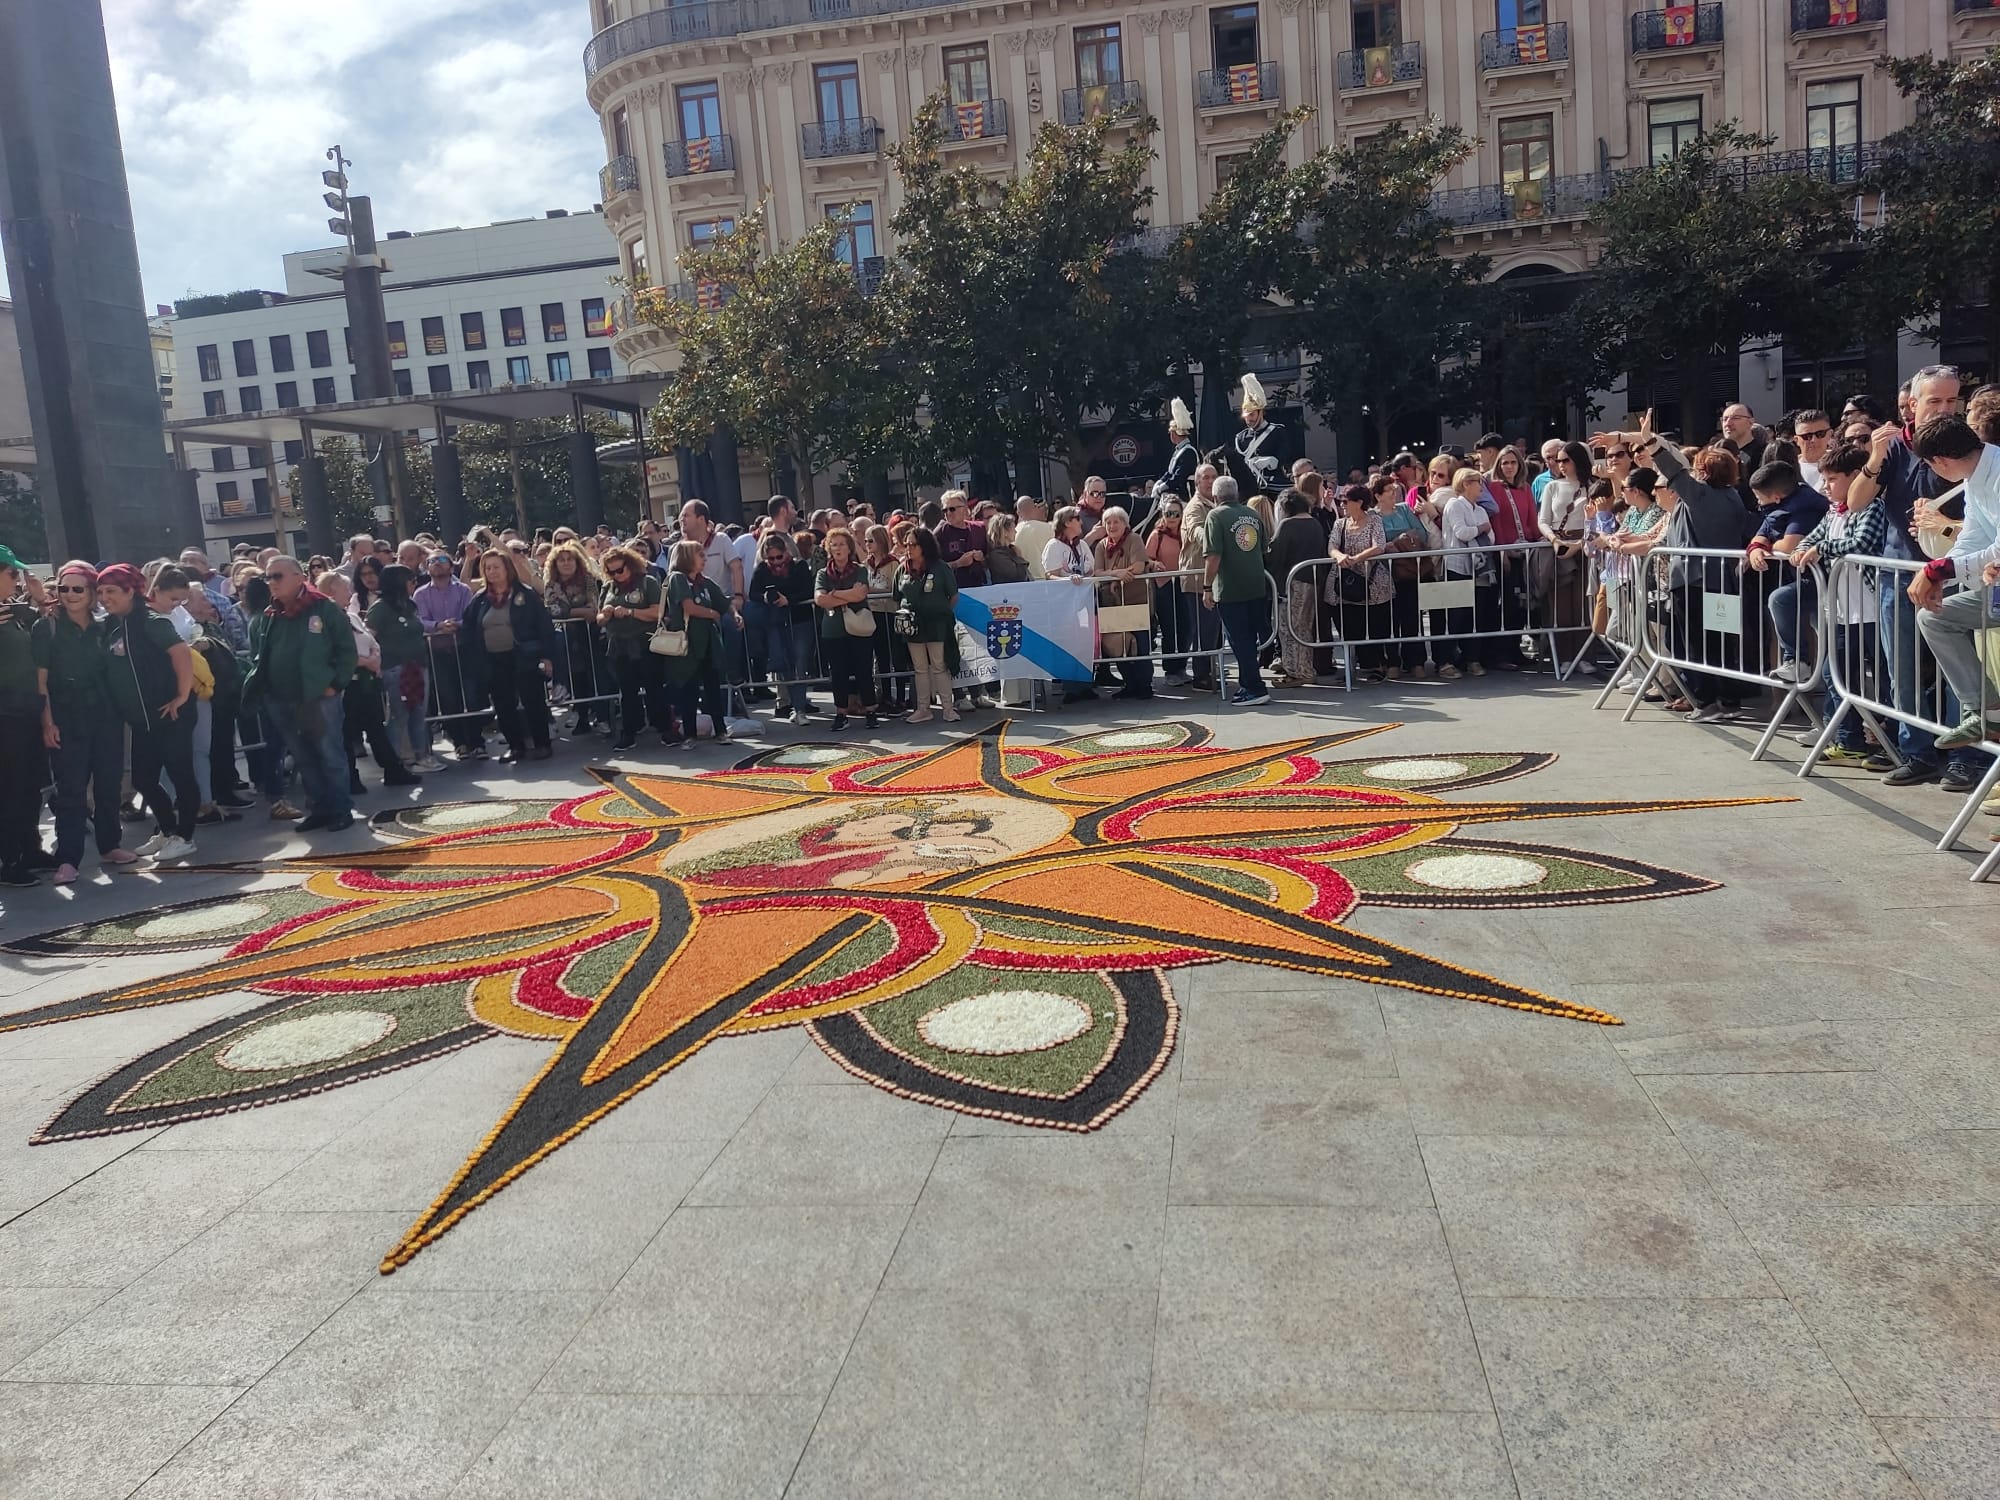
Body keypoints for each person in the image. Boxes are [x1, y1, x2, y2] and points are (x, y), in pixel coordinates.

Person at [1844, 368, 1988, 791]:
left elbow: (1984, 520)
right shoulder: (1894, 448)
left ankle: (1965, 756)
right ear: (1912, 403)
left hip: (1959, 572)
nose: (1945, 409)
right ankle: (1918, 752)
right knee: (1901, 669)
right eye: (1934, 401)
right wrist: (1874, 457)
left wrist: (1947, 529)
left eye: (1951, 401)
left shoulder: (1973, 448)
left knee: (1958, 671)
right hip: (1899, 572)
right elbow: (1855, 503)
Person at [1627, 413, 1756, 722]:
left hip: (1694, 579)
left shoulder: (1700, 495)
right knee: (1723, 642)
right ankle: (1728, 700)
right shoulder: (1734, 497)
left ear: (1703, 472)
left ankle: (1706, 701)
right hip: (1724, 579)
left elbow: (1673, 470)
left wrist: (1649, 441)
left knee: (1697, 644)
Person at [33, 562, 137, 883]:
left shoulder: (107, 626)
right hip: (66, 716)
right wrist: (47, 722)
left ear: (92, 593)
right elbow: (41, 682)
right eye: (64, 588)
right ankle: (69, 858)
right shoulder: (46, 627)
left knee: (108, 784)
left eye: (78, 588)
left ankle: (110, 845)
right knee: (71, 791)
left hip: (106, 715)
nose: (70, 594)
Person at [245, 557, 357, 833]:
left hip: (318, 696)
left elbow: (346, 649)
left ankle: (341, 809)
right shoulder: (269, 615)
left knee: (329, 754)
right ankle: (320, 809)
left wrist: (336, 684)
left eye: (277, 576)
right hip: (281, 699)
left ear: (298, 577)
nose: (271, 582)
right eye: (267, 577)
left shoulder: (323, 608)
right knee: (303, 756)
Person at [1910, 415, 2000, 751]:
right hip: (1996, 590)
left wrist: (1938, 572)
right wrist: (1940, 573)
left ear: (1941, 462)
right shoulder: (1977, 474)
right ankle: (1989, 713)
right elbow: (1973, 539)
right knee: (1934, 616)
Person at [98, 562, 199, 862]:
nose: (104, 597)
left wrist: (182, 695)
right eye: (101, 591)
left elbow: (181, 653)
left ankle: (185, 836)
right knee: (142, 779)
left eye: (111, 591)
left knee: (181, 775)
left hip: (170, 713)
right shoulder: (111, 625)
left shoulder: (153, 622)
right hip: (142, 720)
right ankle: (167, 831)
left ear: (132, 591)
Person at [319, 571, 417, 793]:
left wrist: (375, 658)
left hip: (367, 683)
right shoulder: (327, 619)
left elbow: (370, 640)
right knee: (346, 733)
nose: (350, 592)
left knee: (375, 728)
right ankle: (350, 778)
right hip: (347, 683)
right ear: (332, 590)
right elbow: (333, 652)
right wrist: (363, 662)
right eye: (345, 588)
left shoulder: (351, 616)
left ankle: (393, 770)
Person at [464, 548, 555, 764]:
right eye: (488, 568)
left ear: (507, 569)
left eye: (497, 567)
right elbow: (468, 626)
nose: (492, 571)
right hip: (494, 660)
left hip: (524, 656)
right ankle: (516, 746)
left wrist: (546, 656)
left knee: (533, 701)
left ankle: (542, 743)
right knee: (503, 705)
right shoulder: (480, 599)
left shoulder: (525, 594)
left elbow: (544, 626)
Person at [0, 547, 50, 886]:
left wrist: (39, 600)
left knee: (32, 787)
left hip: (28, 711)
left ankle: (30, 847)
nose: (18, 579)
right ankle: (10, 858)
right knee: (10, 790)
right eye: (11, 574)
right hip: (5, 716)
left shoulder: (14, 613)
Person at [597, 544, 676, 750]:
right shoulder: (608, 588)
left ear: (630, 565)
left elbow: (658, 611)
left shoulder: (647, 582)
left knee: (654, 687)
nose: (617, 575)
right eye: (612, 572)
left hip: (645, 641)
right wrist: (604, 614)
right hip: (620, 645)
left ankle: (665, 729)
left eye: (620, 570)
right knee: (627, 690)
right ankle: (629, 732)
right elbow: (598, 618)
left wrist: (631, 612)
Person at [1202, 474, 1271, 705]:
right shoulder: (1252, 514)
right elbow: (1261, 549)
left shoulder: (1215, 516)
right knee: (1249, 640)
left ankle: (1254, 687)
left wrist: (1206, 586)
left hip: (1231, 588)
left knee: (1239, 640)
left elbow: (1213, 556)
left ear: (1215, 495)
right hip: (1255, 585)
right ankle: (1248, 683)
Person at [367, 564, 438, 772]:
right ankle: (395, 761)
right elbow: (369, 636)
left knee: (419, 713)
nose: (414, 584)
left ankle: (421, 755)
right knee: (399, 716)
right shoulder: (380, 608)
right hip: (395, 669)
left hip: (418, 666)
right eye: (411, 580)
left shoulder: (411, 605)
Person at [662, 539, 730, 744]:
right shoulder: (677, 578)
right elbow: (689, 607)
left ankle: (721, 731)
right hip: (687, 644)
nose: (704, 558)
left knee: (712, 688)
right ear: (686, 557)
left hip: (707, 643)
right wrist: (711, 613)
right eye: (699, 554)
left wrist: (734, 613)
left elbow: (724, 602)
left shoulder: (704, 582)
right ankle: (689, 734)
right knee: (689, 690)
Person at [416, 551, 482, 761]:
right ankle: (460, 742)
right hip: (438, 653)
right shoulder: (420, 594)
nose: (436, 564)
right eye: (432, 561)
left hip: (463, 649)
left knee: (472, 695)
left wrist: (455, 625)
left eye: (442, 560)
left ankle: (477, 741)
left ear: (451, 567)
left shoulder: (463, 590)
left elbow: (469, 615)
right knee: (448, 697)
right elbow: (419, 620)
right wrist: (437, 626)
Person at [814, 527, 880, 730]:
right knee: (839, 673)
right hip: (833, 630)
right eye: (834, 544)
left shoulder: (859, 569)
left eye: (842, 544)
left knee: (863, 670)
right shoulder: (823, 573)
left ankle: (871, 711)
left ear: (849, 547)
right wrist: (846, 594)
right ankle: (841, 714)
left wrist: (834, 595)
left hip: (859, 627)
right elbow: (820, 599)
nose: (838, 548)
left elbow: (861, 594)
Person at [894, 525, 961, 723]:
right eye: (906, 545)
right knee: (920, 668)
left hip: (936, 624)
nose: (908, 548)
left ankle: (948, 708)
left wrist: (939, 610)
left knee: (939, 665)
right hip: (913, 626)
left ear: (924, 546)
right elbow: (897, 597)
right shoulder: (902, 569)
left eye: (913, 545)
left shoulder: (940, 568)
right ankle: (924, 709)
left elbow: (953, 596)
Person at [751, 534, 818, 725]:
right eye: (771, 558)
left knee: (801, 663)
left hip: (801, 620)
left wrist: (789, 600)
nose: (775, 561)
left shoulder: (799, 566)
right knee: (786, 665)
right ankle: (796, 708)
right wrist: (765, 597)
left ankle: (800, 709)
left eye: (778, 557)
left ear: (785, 552)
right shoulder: (763, 569)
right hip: (778, 622)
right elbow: (752, 592)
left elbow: (808, 590)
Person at [542, 542, 610, 732]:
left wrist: (571, 611)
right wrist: (578, 611)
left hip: (590, 633)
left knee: (597, 675)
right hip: (565, 636)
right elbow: (553, 610)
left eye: (570, 559)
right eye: (561, 560)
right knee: (577, 674)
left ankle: (603, 717)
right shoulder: (551, 585)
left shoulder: (589, 580)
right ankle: (578, 712)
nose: (566, 563)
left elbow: (593, 607)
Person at [1328, 483, 1392, 680]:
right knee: (1349, 625)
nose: (1342, 504)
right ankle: (1351, 666)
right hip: (1345, 582)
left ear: (1359, 502)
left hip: (1372, 582)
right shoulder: (1341, 523)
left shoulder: (1374, 520)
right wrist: (1339, 556)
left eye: (1346, 501)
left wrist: (1356, 559)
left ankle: (1376, 665)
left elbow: (1379, 546)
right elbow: (1331, 545)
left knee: (1375, 624)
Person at [1092, 506, 1154, 699]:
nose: (1111, 526)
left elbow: (1138, 566)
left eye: (1116, 521)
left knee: (1141, 643)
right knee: (1118, 645)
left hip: (1136, 600)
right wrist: (1116, 574)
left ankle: (1144, 685)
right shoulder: (1102, 545)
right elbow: (1097, 572)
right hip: (1113, 603)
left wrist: (1118, 575)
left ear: (1124, 523)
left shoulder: (1134, 539)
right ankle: (1129, 683)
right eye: (1108, 522)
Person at [1040, 505, 1099, 705]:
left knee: (1085, 641)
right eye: (1076, 518)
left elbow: (1091, 568)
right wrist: (1068, 579)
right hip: (1063, 604)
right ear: (1066, 522)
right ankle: (1071, 687)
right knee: (1069, 643)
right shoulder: (1054, 546)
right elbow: (1050, 574)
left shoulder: (1081, 545)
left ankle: (1086, 684)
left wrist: (1086, 577)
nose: (1081, 522)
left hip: (1083, 601)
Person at [1267, 490, 1326, 687]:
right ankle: (1304, 667)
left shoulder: (1288, 525)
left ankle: (1296, 671)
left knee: (1288, 627)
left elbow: (1276, 556)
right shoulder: (1315, 524)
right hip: (1313, 580)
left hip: (1293, 583)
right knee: (1304, 627)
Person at [1376, 474, 1432, 680]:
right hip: (1386, 573)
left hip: (1409, 571)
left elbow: (1422, 535)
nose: (1394, 493)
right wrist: (1402, 539)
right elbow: (1379, 542)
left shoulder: (1405, 510)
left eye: (1395, 489)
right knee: (1390, 619)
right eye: (1389, 490)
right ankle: (1392, 661)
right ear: (1378, 495)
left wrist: (1396, 543)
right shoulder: (1374, 516)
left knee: (1412, 617)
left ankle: (1415, 661)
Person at [861, 525, 908, 713]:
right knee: (881, 657)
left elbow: (895, 589)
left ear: (880, 541)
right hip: (873, 614)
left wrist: (873, 591)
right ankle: (886, 696)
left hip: (890, 613)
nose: (867, 544)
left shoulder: (892, 563)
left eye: (870, 540)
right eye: (865, 541)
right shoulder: (866, 564)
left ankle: (901, 698)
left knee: (896, 656)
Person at [1145, 498, 1193, 682]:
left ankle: (1181, 666)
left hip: (1184, 584)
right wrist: (1155, 564)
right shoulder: (1157, 534)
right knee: (1169, 628)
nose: (1171, 517)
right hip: (1164, 585)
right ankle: (1170, 670)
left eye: (1176, 513)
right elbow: (1146, 558)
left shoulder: (1185, 532)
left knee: (1186, 626)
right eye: (1168, 513)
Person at [1232, 373, 1294, 499]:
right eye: (1246, 417)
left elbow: (1285, 455)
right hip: (1249, 488)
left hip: (1272, 485)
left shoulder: (1277, 431)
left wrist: (1272, 461)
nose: (1249, 420)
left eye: (1252, 415)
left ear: (1261, 412)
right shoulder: (1241, 438)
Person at [1155, 397, 1199, 504]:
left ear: (1174, 434)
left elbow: (1179, 476)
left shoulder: (1188, 452)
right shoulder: (1180, 450)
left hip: (1185, 496)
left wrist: (1162, 488)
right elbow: (1170, 472)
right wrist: (1159, 482)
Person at [1014, 497, 1054, 581]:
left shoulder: (1014, 531)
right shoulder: (1049, 528)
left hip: (1024, 579)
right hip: (1046, 577)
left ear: (1018, 512)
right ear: (1034, 507)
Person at [985, 513, 1031, 585]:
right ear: (1005, 532)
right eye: (1013, 528)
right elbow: (1018, 577)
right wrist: (1019, 557)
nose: (1016, 532)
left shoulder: (1011, 550)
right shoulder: (997, 556)